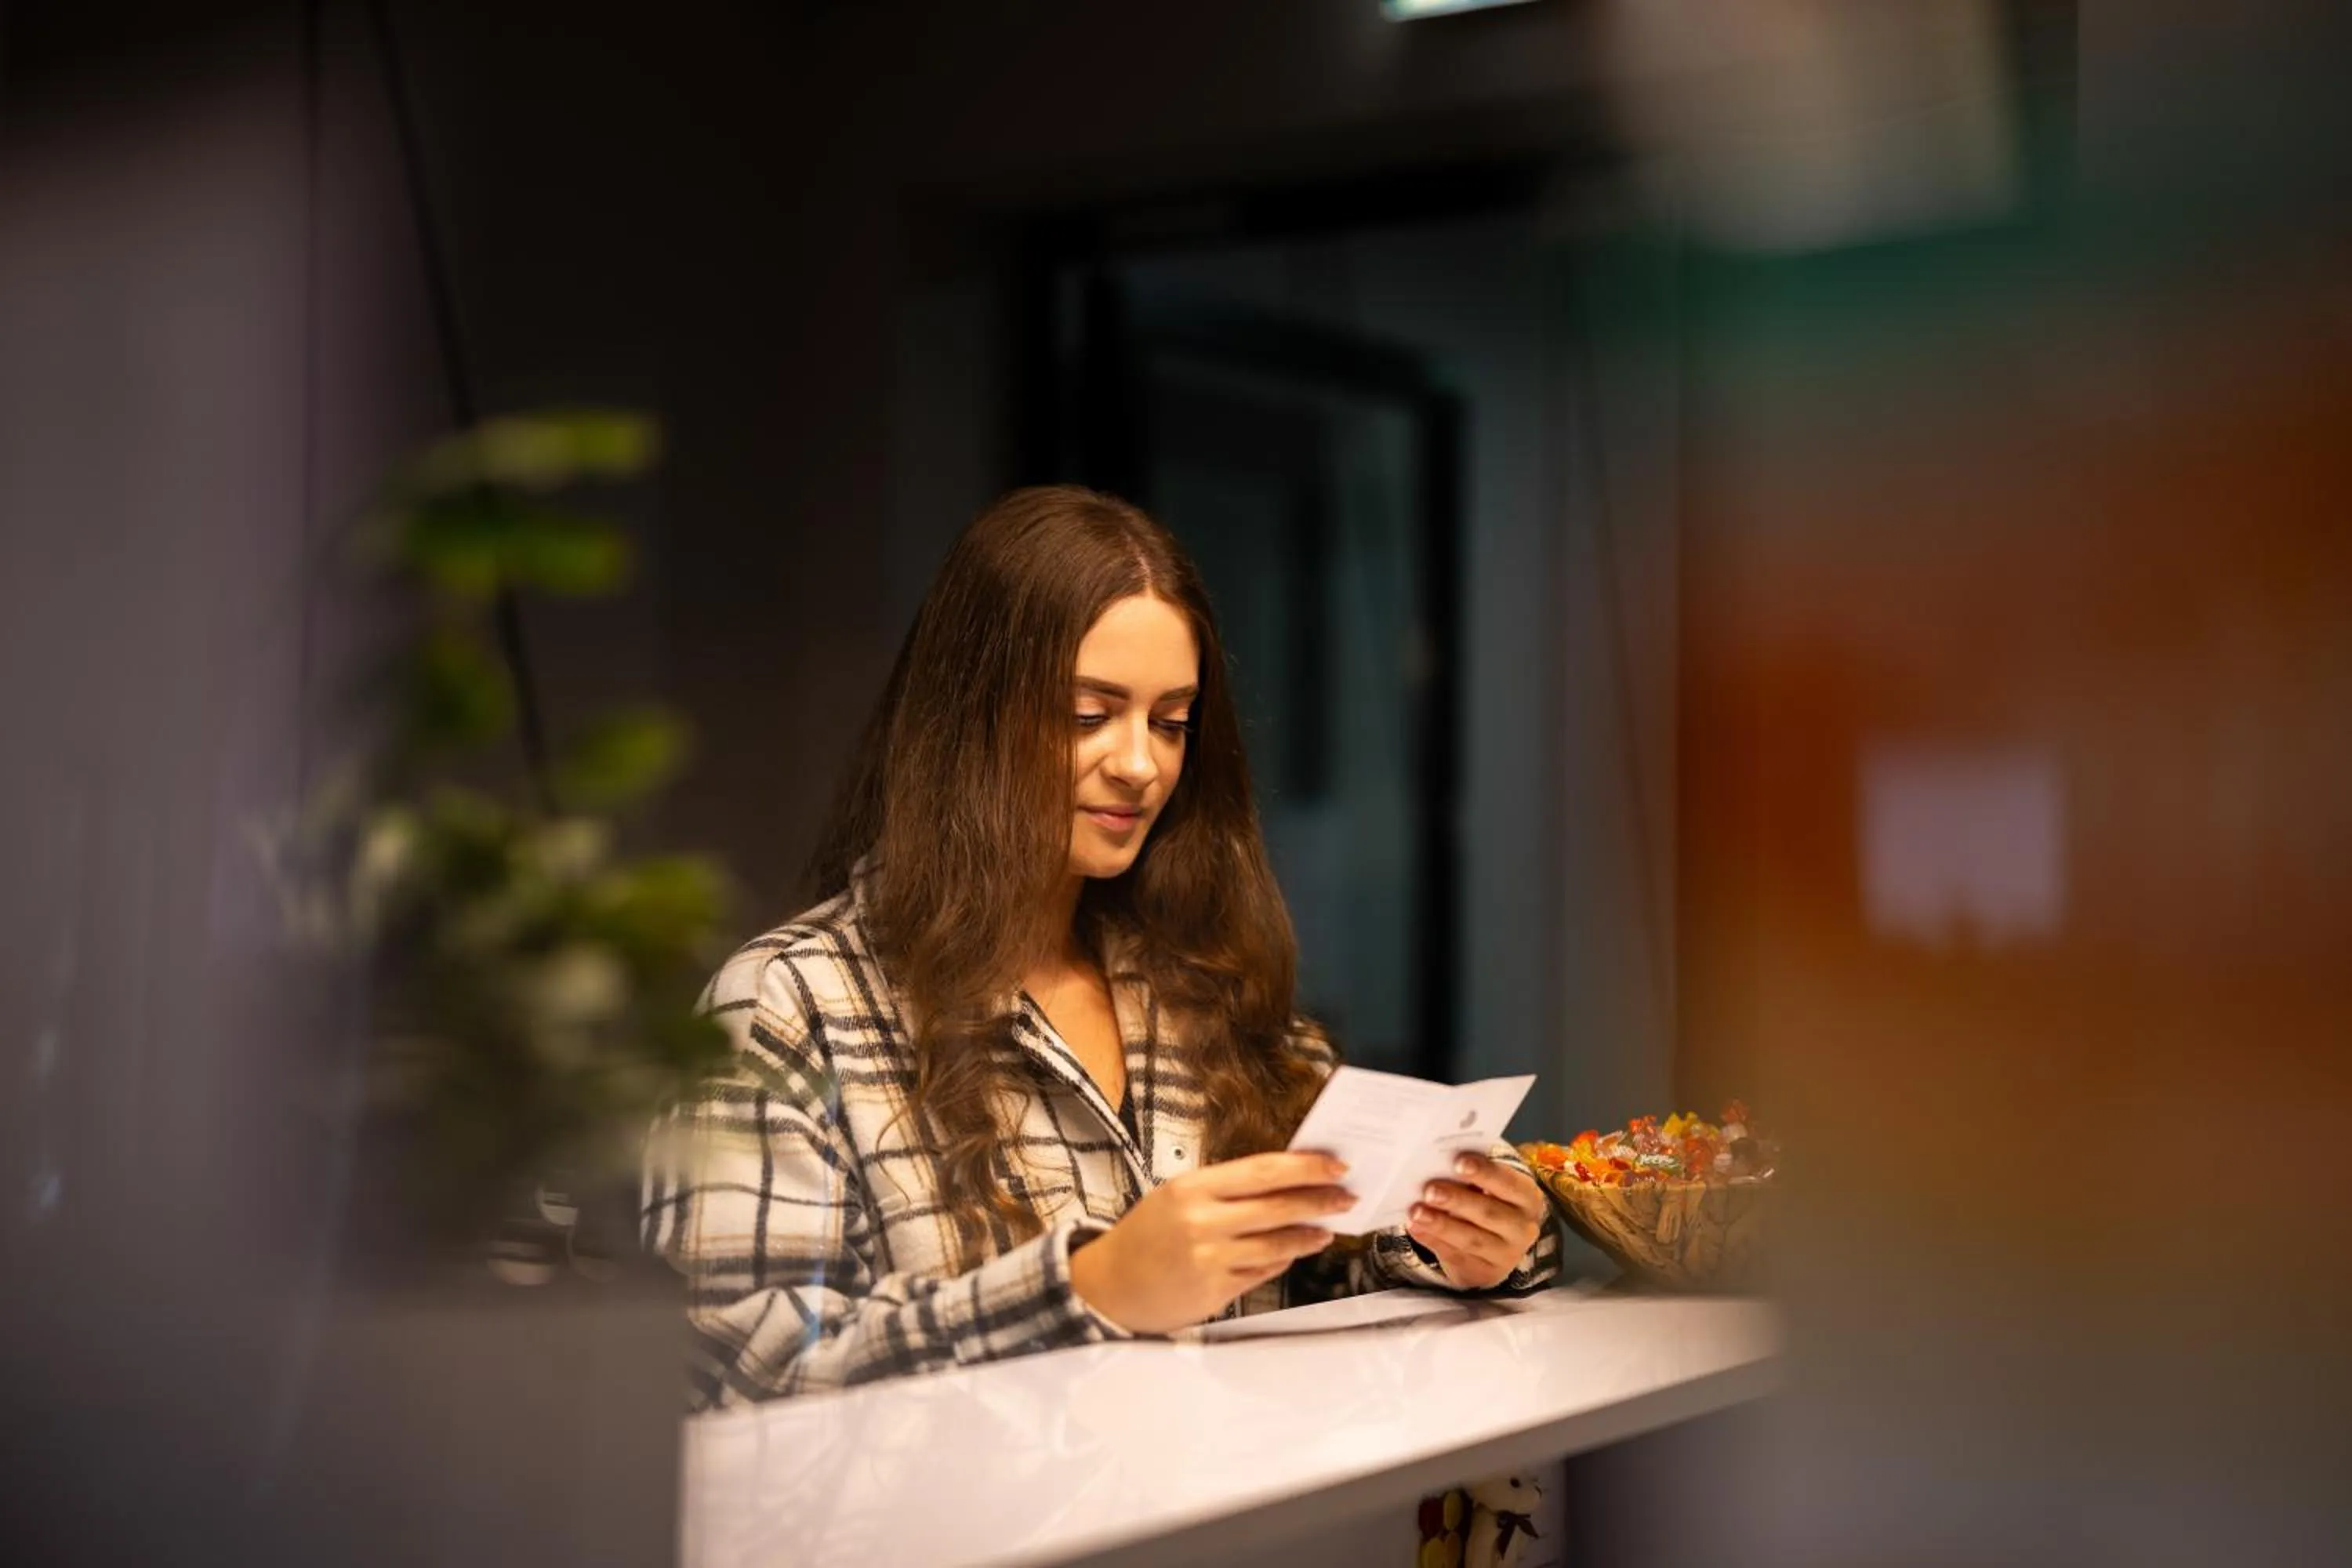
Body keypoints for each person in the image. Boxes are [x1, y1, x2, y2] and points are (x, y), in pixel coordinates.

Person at [642, 485, 1559, 1405]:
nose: (1140, 763)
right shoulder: (792, 1004)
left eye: (1171, 721)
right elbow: (732, 1372)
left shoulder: (1203, 989)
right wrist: (1085, 1289)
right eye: (1089, 714)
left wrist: (1459, 1237)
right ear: (967, 717)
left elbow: (1327, 1275)